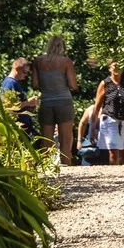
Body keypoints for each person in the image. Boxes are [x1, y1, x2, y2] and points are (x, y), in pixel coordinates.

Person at [32, 35, 78, 165]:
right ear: (62, 46)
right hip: (64, 102)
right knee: (65, 141)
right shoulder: (66, 61)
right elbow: (73, 85)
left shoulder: (38, 61)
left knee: (46, 141)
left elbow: (34, 84)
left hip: (46, 102)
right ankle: (66, 170)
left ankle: (44, 171)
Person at [92, 59, 124, 165]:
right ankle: (114, 174)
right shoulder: (105, 83)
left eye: (119, 66)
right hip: (110, 119)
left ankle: (121, 169)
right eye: (114, 66)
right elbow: (97, 106)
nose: (117, 68)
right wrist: (93, 127)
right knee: (114, 152)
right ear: (109, 68)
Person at [0, 58, 37, 136]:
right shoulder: (10, 83)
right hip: (17, 126)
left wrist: (29, 107)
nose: (25, 75)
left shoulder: (13, 82)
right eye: (24, 72)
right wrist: (28, 103)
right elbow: (8, 106)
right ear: (16, 68)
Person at [76, 101, 103, 166]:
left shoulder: (110, 110)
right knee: (87, 165)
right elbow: (82, 123)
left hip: (105, 144)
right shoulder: (91, 109)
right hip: (90, 144)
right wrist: (79, 140)